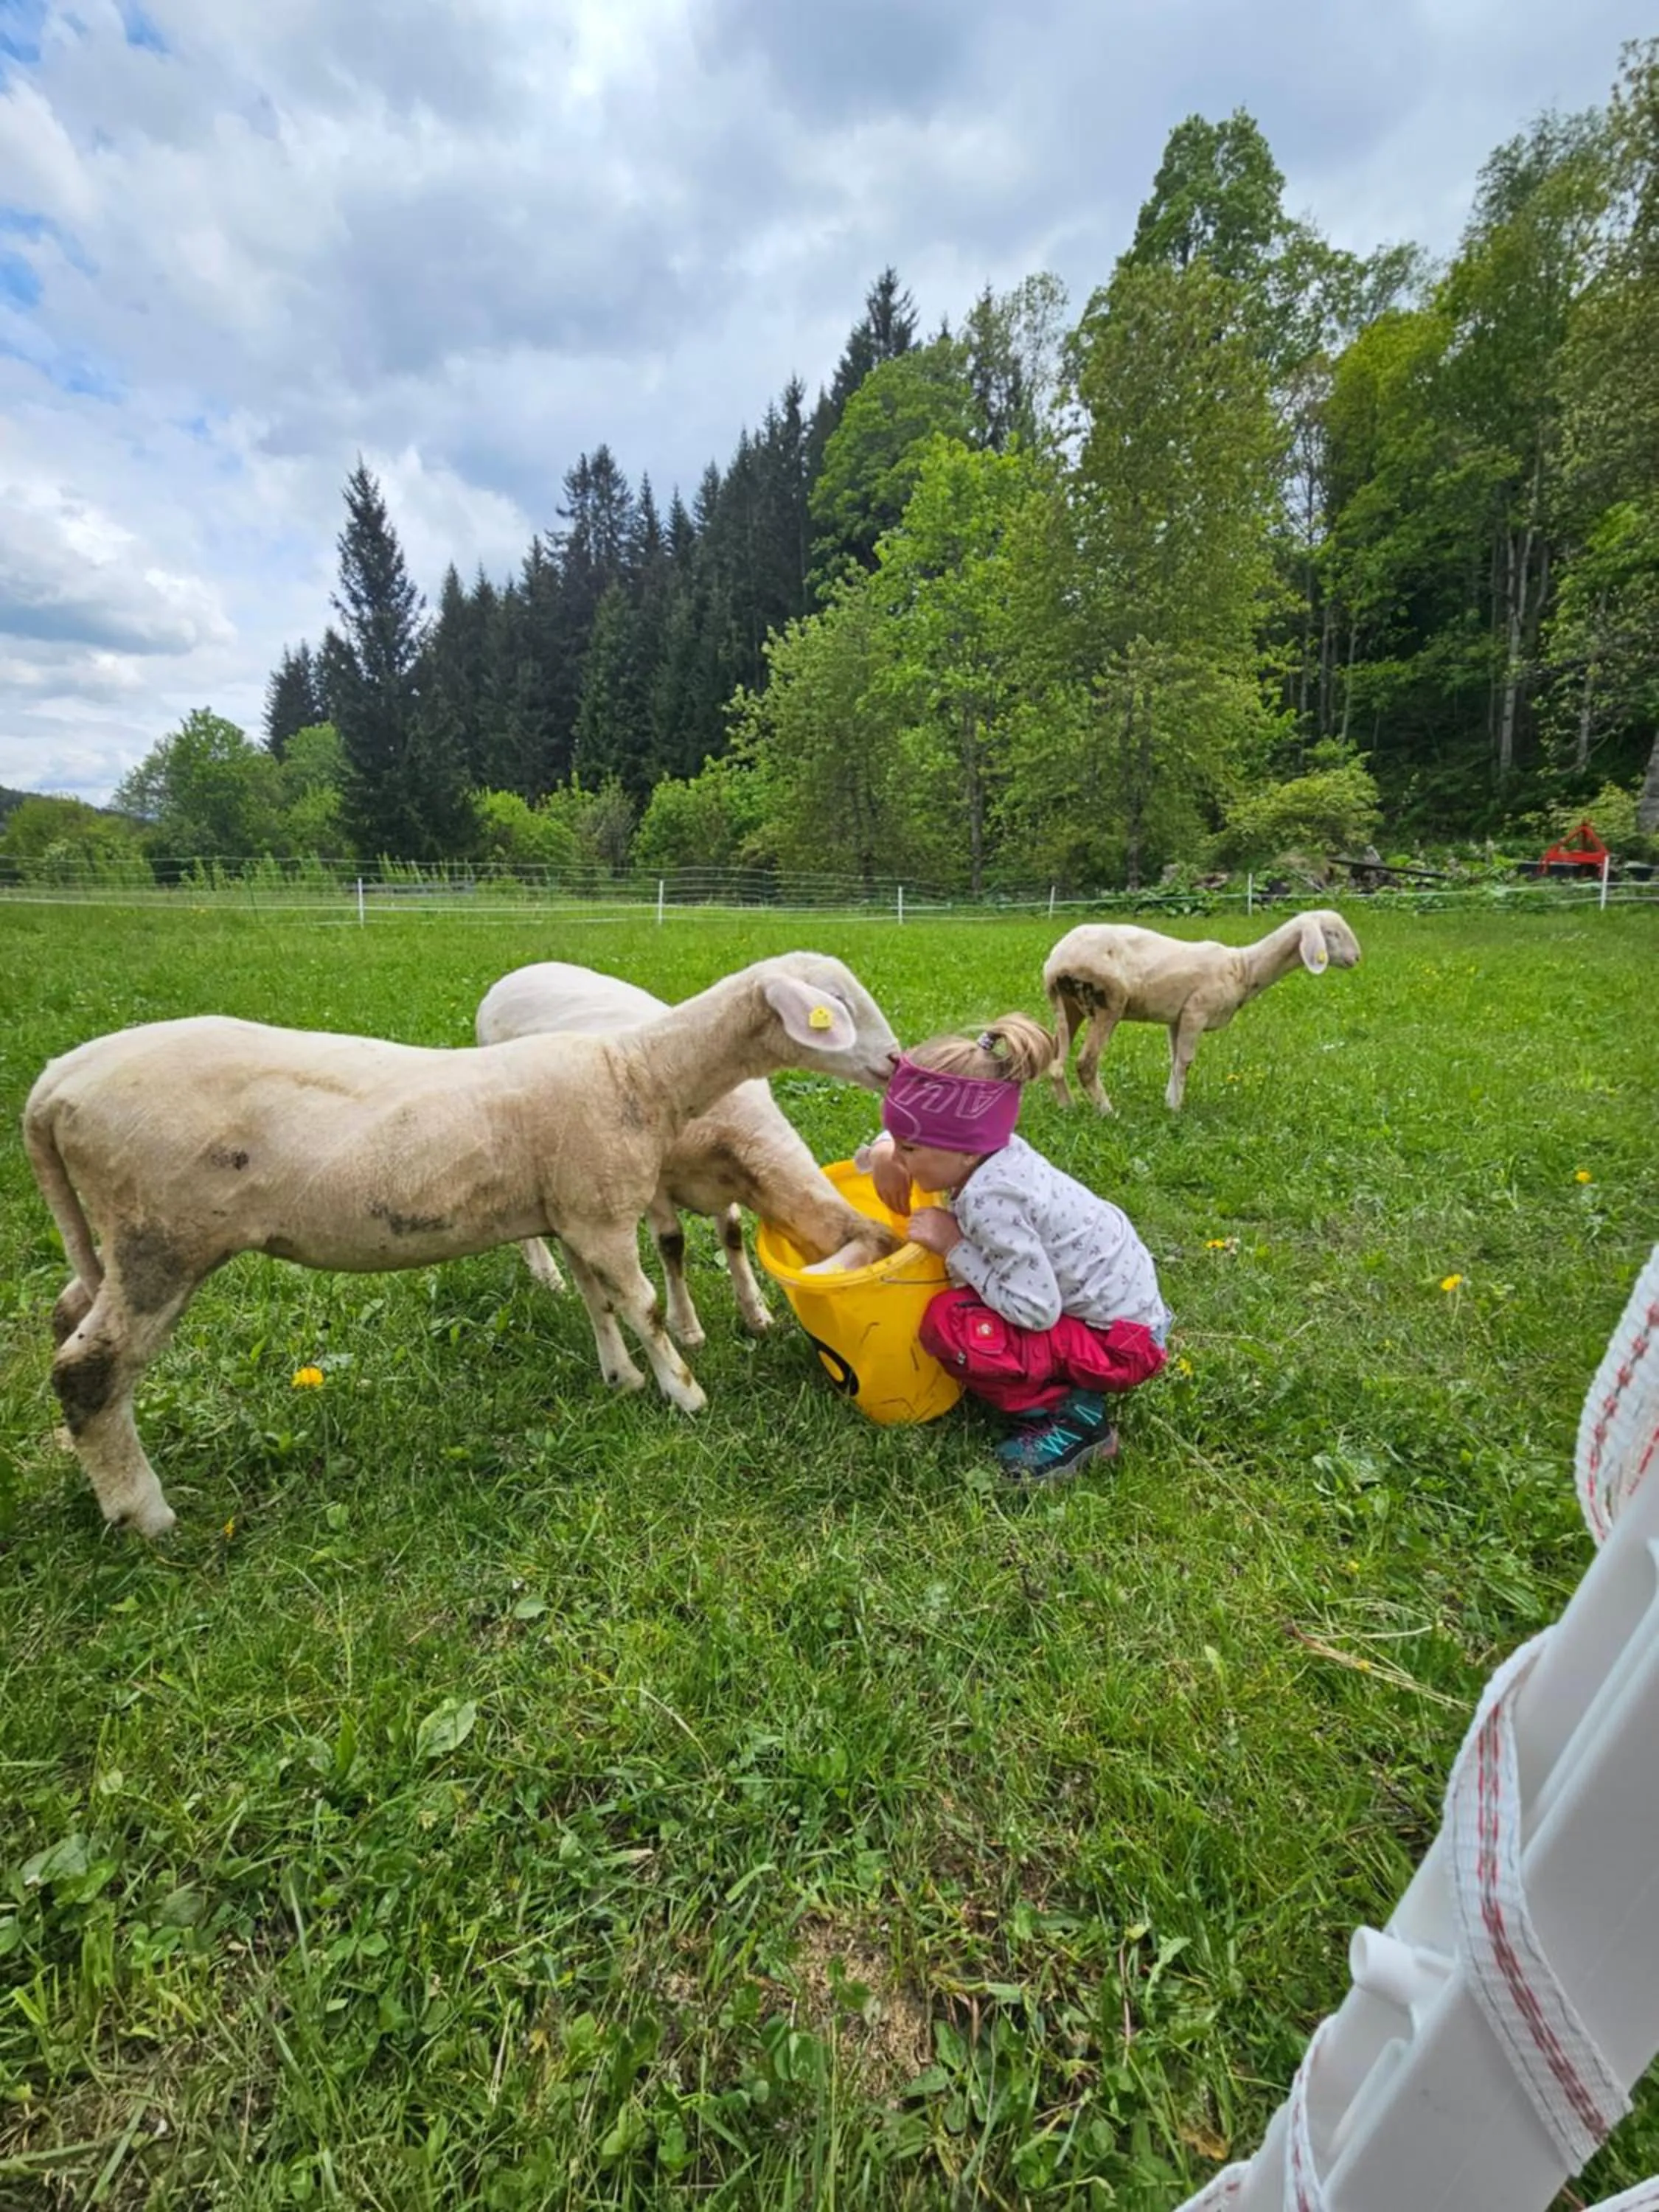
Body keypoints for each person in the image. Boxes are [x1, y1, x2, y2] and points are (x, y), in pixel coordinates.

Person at [861, 1013, 1169, 1484]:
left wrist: (954, 1245)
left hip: (1122, 1344)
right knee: (968, 1301)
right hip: (1124, 1320)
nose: (900, 1160)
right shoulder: (988, 1149)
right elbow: (918, 1126)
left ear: (962, 1151)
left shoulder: (992, 1203)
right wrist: (885, 1152)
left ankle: (1075, 1419)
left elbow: (1036, 1310)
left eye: (908, 1150)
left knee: (951, 1323)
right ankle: (1061, 1386)